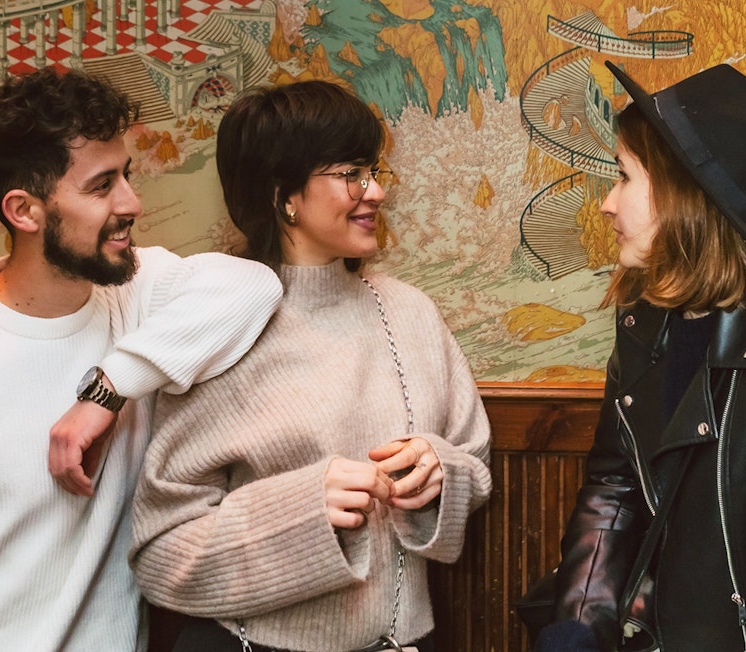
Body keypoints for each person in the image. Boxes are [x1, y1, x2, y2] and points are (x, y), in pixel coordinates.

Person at [0, 67, 282, 651]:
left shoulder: (137, 296)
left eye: (127, 176)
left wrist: (108, 390)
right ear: (24, 210)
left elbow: (254, 287)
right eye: (101, 186)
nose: (132, 202)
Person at [129, 80, 493, 652]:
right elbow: (162, 553)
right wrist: (302, 513)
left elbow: (474, 462)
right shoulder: (223, 325)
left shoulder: (412, 312)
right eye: (350, 173)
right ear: (284, 196)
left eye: (372, 170)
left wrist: (441, 472)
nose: (374, 191)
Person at [534, 63, 746, 652]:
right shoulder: (644, 320)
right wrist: (575, 627)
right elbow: (615, 487)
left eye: (622, 177)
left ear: (684, 194)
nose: (607, 203)